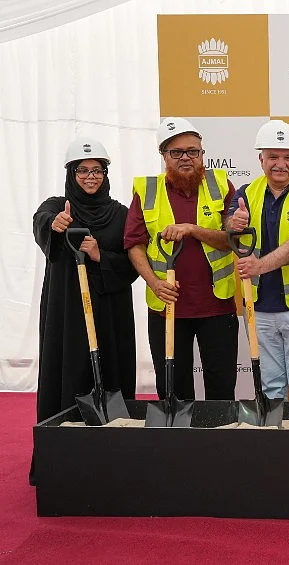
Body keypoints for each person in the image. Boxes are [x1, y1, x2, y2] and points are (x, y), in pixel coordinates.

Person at [31, 138, 138, 483]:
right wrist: (54, 224)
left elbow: (132, 265)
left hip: (109, 312)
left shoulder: (120, 214)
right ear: (71, 174)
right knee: (67, 372)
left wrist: (99, 255)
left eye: (97, 170)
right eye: (83, 170)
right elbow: (41, 219)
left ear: (106, 174)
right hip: (67, 312)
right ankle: (62, 463)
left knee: (110, 372)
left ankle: (113, 461)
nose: (90, 177)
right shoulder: (57, 206)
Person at [124, 117, 239, 401]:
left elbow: (232, 240)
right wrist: (154, 283)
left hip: (217, 307)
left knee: (222, 391)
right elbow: (134, 245)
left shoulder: (221, 185)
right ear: (164, 155)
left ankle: (220, 431)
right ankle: (178, 432)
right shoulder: (147, 190)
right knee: (174, 393)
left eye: (193, 151)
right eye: (176, 152)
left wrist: (192, 229)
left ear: (202, 154)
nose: (186, 158)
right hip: (167, 308)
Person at [225, 120, 289, 401]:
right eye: (273, 157)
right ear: (261, 159)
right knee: (270, 390)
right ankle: (273, 431)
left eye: (287, 157)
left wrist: (259, 266)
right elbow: (230, 228)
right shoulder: (245, 193)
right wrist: (234, 223)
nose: (280, 164)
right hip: (259, 307)